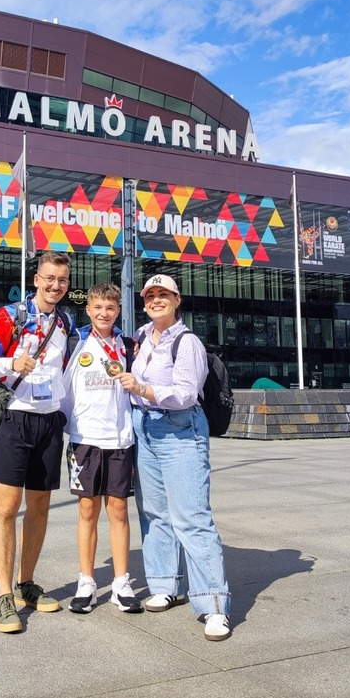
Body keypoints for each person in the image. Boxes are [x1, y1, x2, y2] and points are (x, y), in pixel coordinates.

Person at [113, 273, 231, 641]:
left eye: (164, 295)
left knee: (191, 518)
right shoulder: (142, 339)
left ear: (177, 300)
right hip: (145, 428)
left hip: (179, 429)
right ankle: (165, 584)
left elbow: (184, 394)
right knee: (155, 513)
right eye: (150, 295)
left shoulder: (187, 342)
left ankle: (213, 606)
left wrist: (143, 388)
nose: (156, 300)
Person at [0, 251, 74, 634]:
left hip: (49, 423)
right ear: (36, 279)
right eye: (49, 278)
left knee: (41, 507)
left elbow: (68, 375)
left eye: (62, 280)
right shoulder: (12, 315)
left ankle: (25, 584)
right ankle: (3, 596)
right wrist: (11, 363)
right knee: (6, 508)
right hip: (14, 419)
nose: (55, 286)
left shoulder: (67, 323)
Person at [61, 282, 143, 615]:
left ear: (118, 310)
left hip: (120, 439)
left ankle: (122, 582)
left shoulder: (128, 345)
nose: (103, 314)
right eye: (97, 308)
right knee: (86, 510)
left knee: (119, 510)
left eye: (110, 308)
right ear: (88, 309)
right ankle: (87, 582)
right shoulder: (76, 342)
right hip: (84, 439)